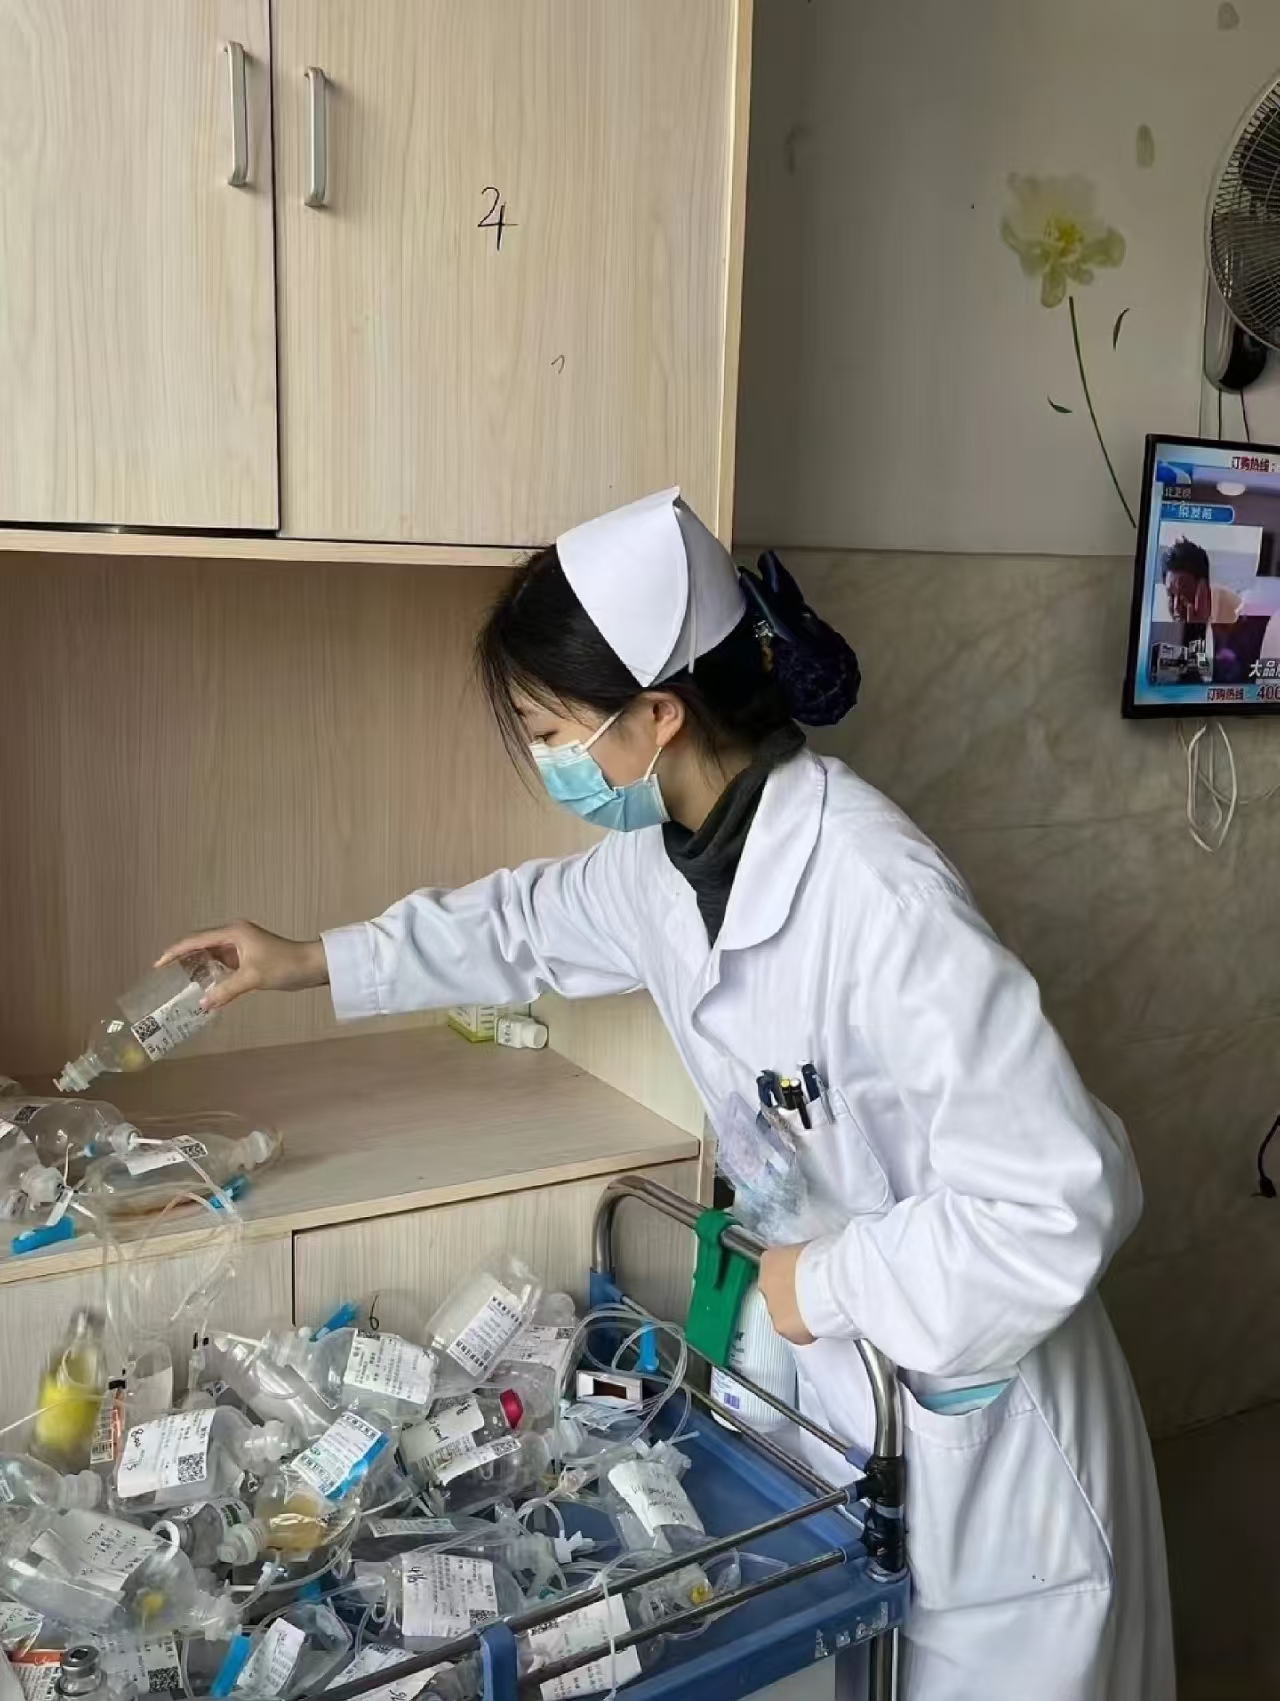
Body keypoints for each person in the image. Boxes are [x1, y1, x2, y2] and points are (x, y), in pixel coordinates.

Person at [160, 490, 1174, 1700]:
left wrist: (819, 1285)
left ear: (655, 714)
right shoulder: (666, 861)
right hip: (845, 1388)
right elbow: (517, 924)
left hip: (983, 1419)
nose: (547, 762)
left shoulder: (877, 897)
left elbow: (1059, 1203)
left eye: (550, 731)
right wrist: (304, 960)